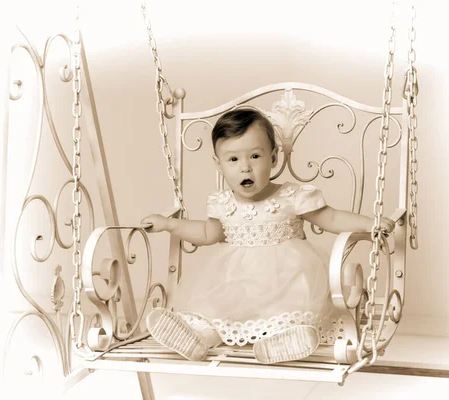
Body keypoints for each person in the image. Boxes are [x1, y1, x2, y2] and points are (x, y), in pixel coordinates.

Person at [141, 108, 395, 364]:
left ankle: (281, 339)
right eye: (233, 160)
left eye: (255, 156)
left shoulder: (291, 196)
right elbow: (208, 233)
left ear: (273, 158)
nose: (246, 168)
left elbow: (331, 218)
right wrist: (169, 225)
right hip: (235, 284)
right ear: (219, 164)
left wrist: (370, 224)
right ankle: (197, 338)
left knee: (287, 310)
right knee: (213, 311)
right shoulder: (222, 202)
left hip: (285, 280)